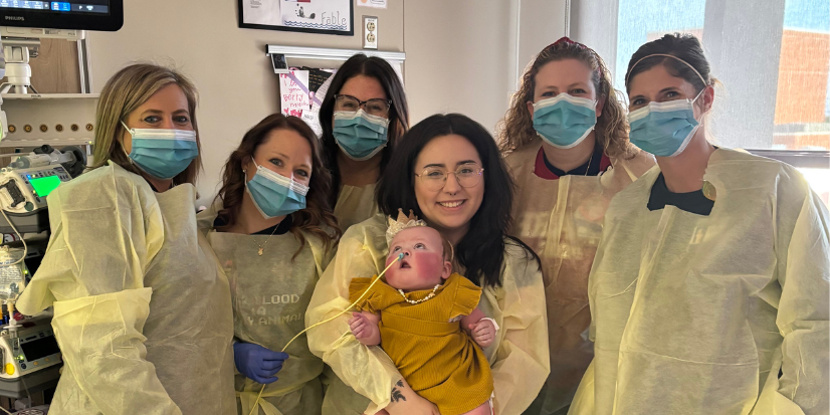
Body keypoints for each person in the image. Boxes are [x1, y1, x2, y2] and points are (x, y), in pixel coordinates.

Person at [568, 33, 830, 415]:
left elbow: (817, 322)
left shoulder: (774, 191)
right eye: (640, 101)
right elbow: (609, 340)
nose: (653, 110)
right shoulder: (626, 210)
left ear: (705, 98)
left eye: (670, 95)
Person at [15, 63, 236, 414]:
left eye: (180, 118)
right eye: (152, 119)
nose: (170, 130)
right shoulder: (104, 197)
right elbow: (103, 349)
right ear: (118, 129)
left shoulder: (174, 205)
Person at [307, 113, 549, 415]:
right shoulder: (368, 243)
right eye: (434, 173)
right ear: (410, 178)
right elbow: (331, 329)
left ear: (488, 177)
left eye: (467, 170)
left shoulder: (514, 263)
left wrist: (469, 406)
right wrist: (400, 399)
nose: (452, 187)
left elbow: (524, 362)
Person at [497, 36, 654, 415]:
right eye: (549, 93)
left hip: (603, 367)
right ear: (531, 108)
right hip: (512, 360)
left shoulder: (639, 176)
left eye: (577, 91)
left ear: (599, 103)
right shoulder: (506, 174)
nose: (562, 103)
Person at [197, 114, 340, 415]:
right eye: (276, 162)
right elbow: (176, 327)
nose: (288, 178)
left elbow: (338, 334)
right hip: (218, 401)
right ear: (246, 162)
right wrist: (230, 353)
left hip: (301, 405)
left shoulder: (321, 247)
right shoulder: (201, 239)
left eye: (301, 172)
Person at [348, 212, 496, 415]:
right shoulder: (381, 293)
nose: (404, 252)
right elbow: (374, 338)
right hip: (403, 387)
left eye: (419, 246)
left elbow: (477, 321)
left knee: (477, 409)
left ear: (445, 270)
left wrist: (485, 329)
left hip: (454, 380)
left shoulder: (453, 292)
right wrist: (365, 331)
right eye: (396, 249)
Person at [319, 53, 410, 231]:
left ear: (394, 116)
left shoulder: (409, 180)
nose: (359, 117)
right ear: (331, 109)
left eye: (375, 107)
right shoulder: (305, 172)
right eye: (348, 104)